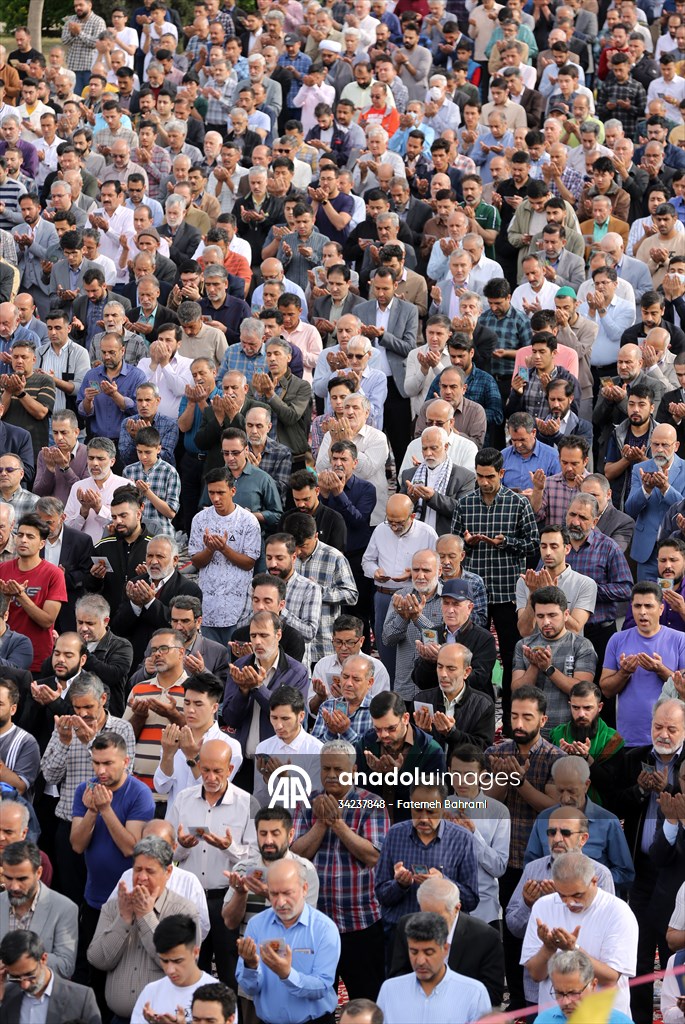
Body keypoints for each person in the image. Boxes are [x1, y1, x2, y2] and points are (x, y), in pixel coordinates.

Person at [290, 739, 388, 1001]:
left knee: (366, 1001)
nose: (331, 775)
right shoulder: (308, 802)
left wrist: (338, 824)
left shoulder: (372, 803)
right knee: (317, 1001)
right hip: (316, 923)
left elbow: (373, 856)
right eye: (326, 769)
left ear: (354, 771)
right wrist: (321, 823)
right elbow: (296, 856)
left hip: (362, 923)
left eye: (339, 770)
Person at [451, 447, 539, 726]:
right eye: (479, 476)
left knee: (513, 655)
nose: (484, 482)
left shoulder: (518, 503)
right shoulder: (465, 504)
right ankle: (477, 716)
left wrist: (506, 543)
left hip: (506, 594)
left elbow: (533, 544)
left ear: (501, 473)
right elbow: (453, 545)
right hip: (473, 595)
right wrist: (467, 542)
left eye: (489, 476)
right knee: (473, 658)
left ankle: (515, 720)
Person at [168, 740, 257, 988]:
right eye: (205, 769)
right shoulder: (183, 800)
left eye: (217, 771)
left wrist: (228, 847)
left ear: (229, 769)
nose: (210, 777)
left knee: (230, 974)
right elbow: (167, 854)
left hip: (227, 899)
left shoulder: (246, 803)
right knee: (193, 971)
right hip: (189, 899)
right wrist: (183, 846)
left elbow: (255, 861)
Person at [87, 837, 201, 1021]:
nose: (141, 877)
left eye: (150, 871)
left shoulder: (183, 911)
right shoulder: (114, 907)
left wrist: (146, 916)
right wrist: (123, 920)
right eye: (137, 869)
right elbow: (97, 960)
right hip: (119, 1018)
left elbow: (183, 967)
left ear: (168, 872)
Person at [521, 851, 638, 1017]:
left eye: (577, 895)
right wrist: (548, 948)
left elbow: (611, 977)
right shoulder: (543, 906)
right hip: (554, 1017)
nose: (569, 902)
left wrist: (573, 949)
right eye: (562, 895)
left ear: (594, 881)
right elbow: (535, 975)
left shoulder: (618, 912)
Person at [235, 859, 341, 1024]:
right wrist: (250, 966)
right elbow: (249, 989)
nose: (280, 902)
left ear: (304, 889)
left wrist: (287, 974)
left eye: (287, 893)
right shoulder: (256, 925)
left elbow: (322, 986)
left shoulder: (324, 929)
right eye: (274, 894)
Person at [388, 875, 505, 1006]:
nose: (431, 923)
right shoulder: (406, 925)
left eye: (438, 917)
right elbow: (398, 975)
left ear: (457, 908)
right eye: (426, 915)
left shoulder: (485, 937)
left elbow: (492, 996)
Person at [523, 756, 635, 889]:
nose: (565, 798)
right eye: (560, 791)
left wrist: (588, 882)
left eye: (571, 791)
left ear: (586, 785)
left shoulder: (608, 822)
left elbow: (625, 874)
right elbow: (531, 866)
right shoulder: (544, 819)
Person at [601, 582, 685, 748]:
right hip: (629, 738)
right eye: (637, 606)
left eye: (648, 606)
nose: (642, 612)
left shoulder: (680, 639)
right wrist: (624, 673)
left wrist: (660, 669)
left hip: (671, 737)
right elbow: (606, 690)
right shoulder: (617, 640)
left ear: (661, 609)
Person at [189, 468, 261, 646]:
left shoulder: (248, 521)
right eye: (211, 492)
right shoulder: (200, 519)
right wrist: (210, 550)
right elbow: (196, 561)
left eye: (221, 492)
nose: (215, 498)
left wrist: (223, 548)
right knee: (211, 663)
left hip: (239, 607)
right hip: (208, 605)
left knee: (236, 662)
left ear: (233, 491)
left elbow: (249, 562)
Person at [377, 911, 491, 1024]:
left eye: (429, 952)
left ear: (445, 949)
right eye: (414, 952)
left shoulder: (474, 993)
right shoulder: (389, 990)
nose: (420, 961)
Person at [512, 586, 597, 735]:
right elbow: (518, 691)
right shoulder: (523, 645)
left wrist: (548, 668)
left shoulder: (581, 645)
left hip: (569, 730)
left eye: (552, 615)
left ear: (566, 615)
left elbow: (583, 691)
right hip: (534, 731)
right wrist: (534, 665)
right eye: (540, 616)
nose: (546, 622)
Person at [154, 673, 242, 812]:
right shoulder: (174, 738)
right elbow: (161, 787)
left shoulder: (229, 746)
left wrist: (192, 757)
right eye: (187, 703)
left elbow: (213, 791)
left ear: (214, 708)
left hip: (209, 825)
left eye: (198, 704)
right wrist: (167, 755)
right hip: (175, 824)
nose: (190, 710)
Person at [0, 839, 78, 978]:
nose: (14, 887)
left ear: (39, 873)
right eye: (8, 878)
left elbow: (65, 967)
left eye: (22, 879)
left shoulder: (65, 908)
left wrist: (24, 957)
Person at [0, 513, 66, 674]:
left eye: (30, 537)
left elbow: (47, 621)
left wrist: (21, 596)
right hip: (5, 656)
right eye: (20, 535)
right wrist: (6, 597)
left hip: (38, 661)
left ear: (42, 543)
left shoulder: (54, 574)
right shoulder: (3, 569)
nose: (23, 540)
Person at [0, 929, 101, 1024]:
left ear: (43, 959)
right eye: (15, 978)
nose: (24, 985)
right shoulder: (6, 996)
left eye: (29, 975)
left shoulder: (81, 998)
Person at [130, 913, 215, 1024]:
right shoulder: (150, 992)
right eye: (164, 961)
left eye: (177, 961)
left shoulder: (218, 995)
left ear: (195, 952)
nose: (170, 970)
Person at [548, 682, 625, 802]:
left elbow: (611, 785)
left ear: (599, 707)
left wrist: (587, 759)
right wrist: (560, 757)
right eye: (576, 708)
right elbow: (546, 779)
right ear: (570, 705)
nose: (581, 714)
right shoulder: (557, 735)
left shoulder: (612, 740)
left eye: (587, 708)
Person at [534, 948, 635, 1024]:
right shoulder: (543, 1020)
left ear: (593, 985)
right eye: (559, 993)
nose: (566, 1002)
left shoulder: (620, 1022)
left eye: (573, 993)